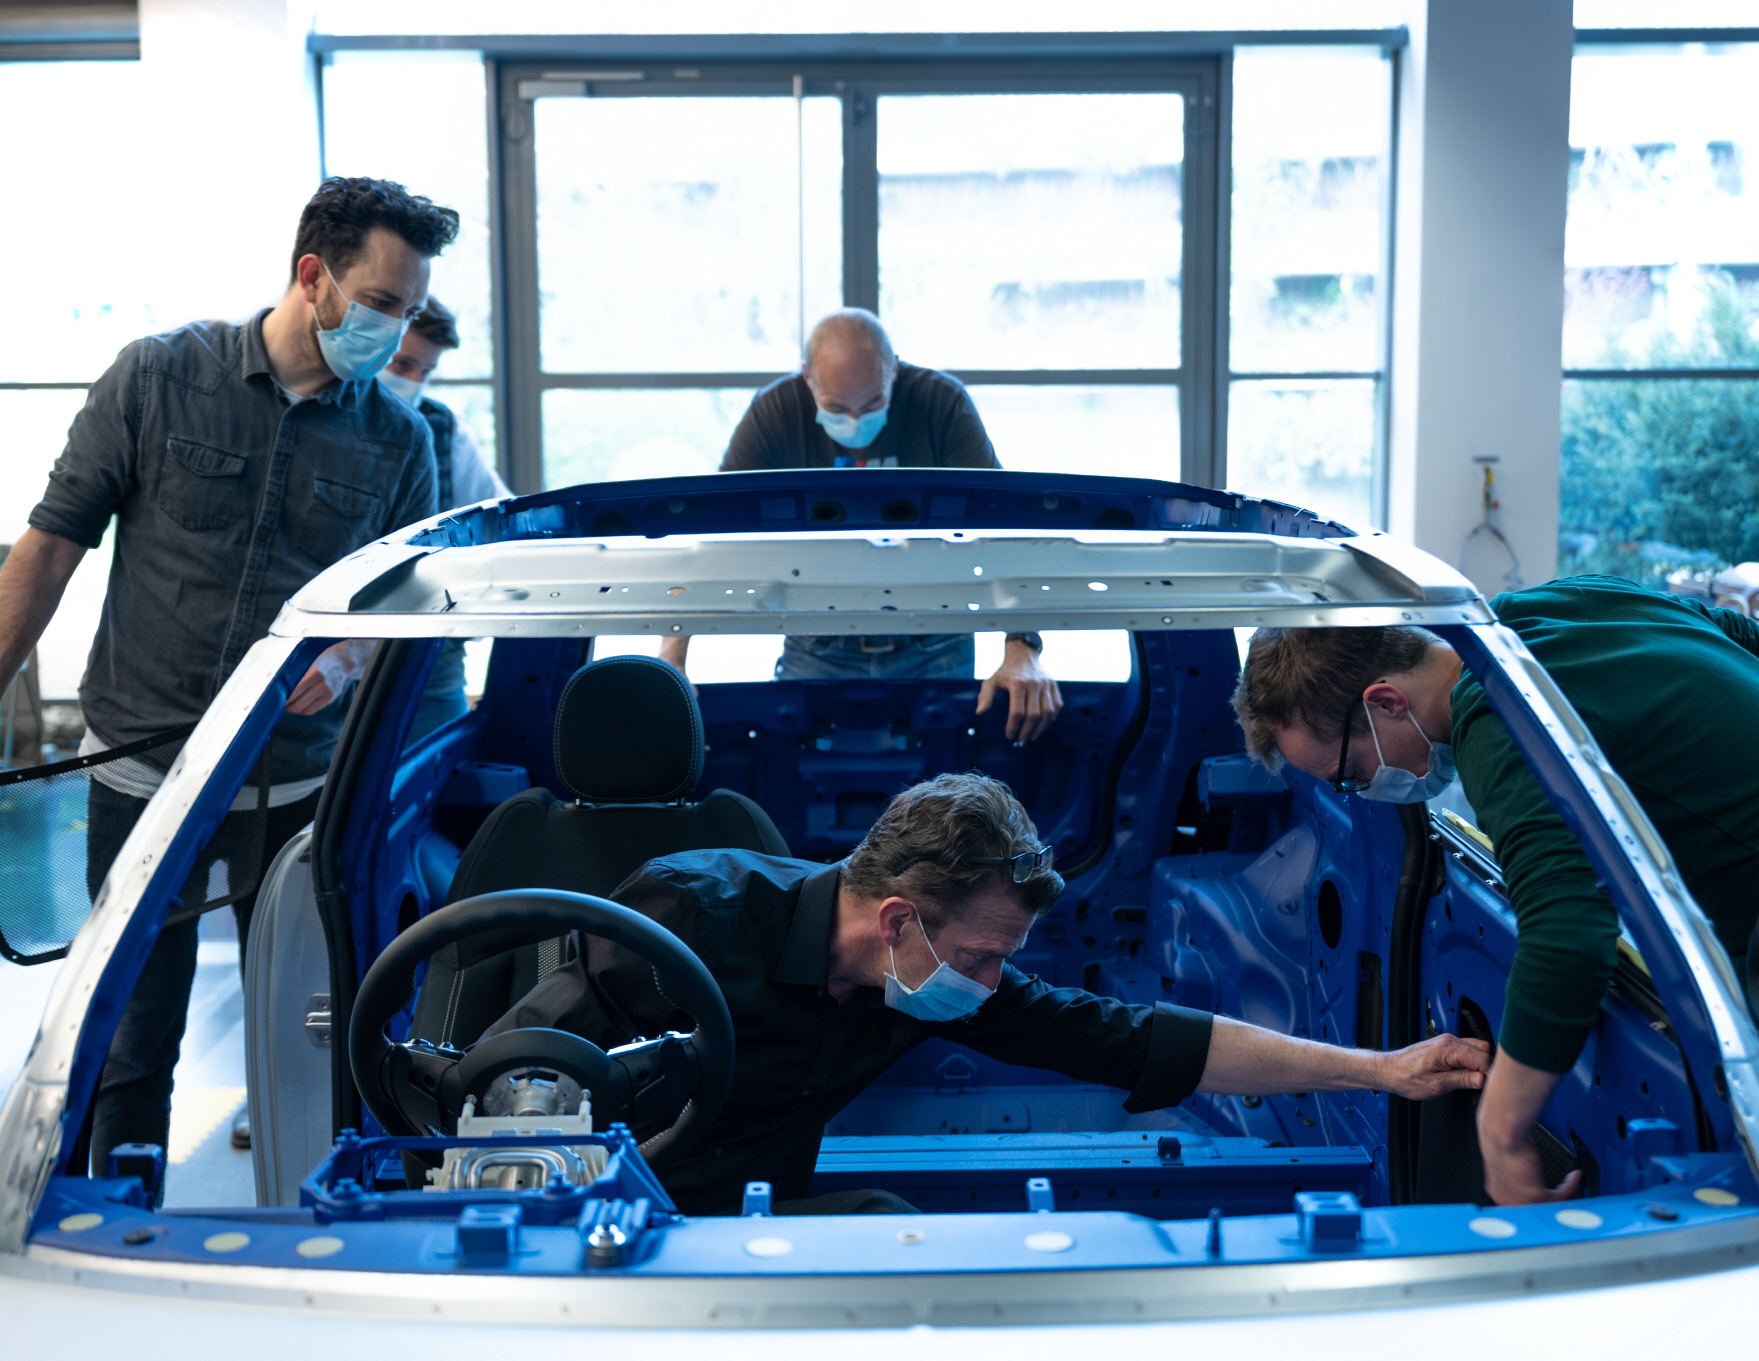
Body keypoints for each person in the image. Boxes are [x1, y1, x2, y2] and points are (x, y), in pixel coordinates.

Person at [0, 176, 458, 1172]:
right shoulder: (159, 378)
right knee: (132, 1030)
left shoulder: (400, 440)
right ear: (313, 275)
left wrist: (348, 655)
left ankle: (314, 1218)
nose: (394, 330)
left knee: (308, 1029)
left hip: (293, 787)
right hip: (142, 771)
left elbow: (400, 609)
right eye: (381, 302)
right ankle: (124, 1216)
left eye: (409, 310)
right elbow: (51, 544)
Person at [486, 772, 1489, 1216]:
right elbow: (516, 1071)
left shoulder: (937, 976)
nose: (991, 980)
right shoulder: (686, 914)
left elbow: (1139, 1038)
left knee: (885, 1224)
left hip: (747, 1218)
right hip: (586, 1202)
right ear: (896, 920)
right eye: (979, 955)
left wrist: (1379, 1069)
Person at [1229, 574, 1759, 1207]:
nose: (1364, 790)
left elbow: (1567, 934)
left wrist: (1501, 1129)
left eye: (1351, 774)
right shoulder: (1549, 606)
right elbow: (1736, 636)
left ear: (1386, 701)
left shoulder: (1498, 719)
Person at [659, 309, 1063, 744]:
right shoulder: (776, 410)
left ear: (895, 370)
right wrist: (671, 658)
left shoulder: (940, 401)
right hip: (817, 639)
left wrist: (1022, 647)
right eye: (836, 407)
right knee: (796, 767)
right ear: (808, 377)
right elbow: (716, 532)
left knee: (943, 775)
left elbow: (1001, 524)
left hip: (935, 638)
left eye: (872, 404)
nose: (855, 421)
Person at [376, 297, 510, 741]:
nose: (414, 381)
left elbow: (503, 524)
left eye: (426, 371)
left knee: (437, 772)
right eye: (403, 365)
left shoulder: (443, 428)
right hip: (323, 658)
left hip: (428, 662)